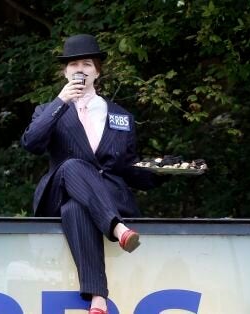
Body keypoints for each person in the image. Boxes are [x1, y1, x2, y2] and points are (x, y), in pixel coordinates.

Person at [21, 34, 167, 314]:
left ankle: (98, 298)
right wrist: (61, 102)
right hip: (58, 191)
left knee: (76, 208)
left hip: (102, 196)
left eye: (87, 64)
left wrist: (160, 171)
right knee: (73, 165)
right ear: (65, 72)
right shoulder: (48, 109)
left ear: (97, 71)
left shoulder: (120, 116)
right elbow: (31, 144)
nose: (80, 70)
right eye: (73, 64)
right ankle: (118, 229)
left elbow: (127, 166)